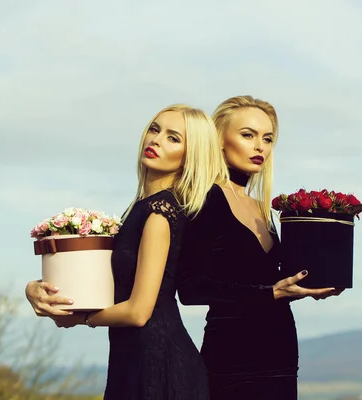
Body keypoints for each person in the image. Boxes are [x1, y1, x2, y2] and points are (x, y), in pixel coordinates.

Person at [25, 104, 228, 400]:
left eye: (174, 138)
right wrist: (36, 288)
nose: (156, 140)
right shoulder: (138, 209)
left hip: (159, 364)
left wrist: (80, 319)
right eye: (155, 129)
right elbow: (102, 282)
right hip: (133, 359)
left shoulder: (160, 212)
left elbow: (138, 311)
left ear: (190, 156)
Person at [178, 95, 344, 400]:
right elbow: (190, 289)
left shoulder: (263, 209)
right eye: (248, 135)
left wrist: (310, 284)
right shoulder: (204, 201)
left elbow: (269, 284)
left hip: (280, 352)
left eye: (267, 139)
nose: (260, 147)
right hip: (231, 357)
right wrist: (273, 293)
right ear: (220, 140)